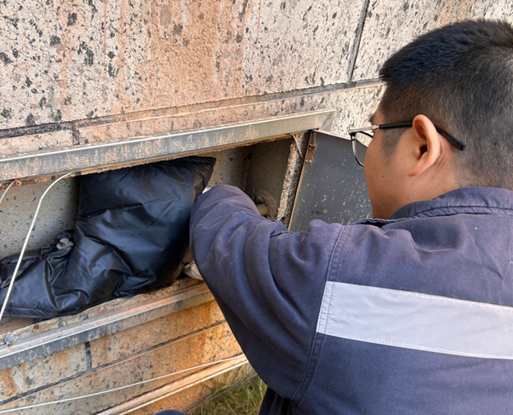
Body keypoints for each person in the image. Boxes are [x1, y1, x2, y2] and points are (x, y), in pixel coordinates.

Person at [189, 19, 513, 415]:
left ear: (422, 147)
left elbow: (231, 243)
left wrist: (216, 195)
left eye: (373, 131)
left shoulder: (353, 279)